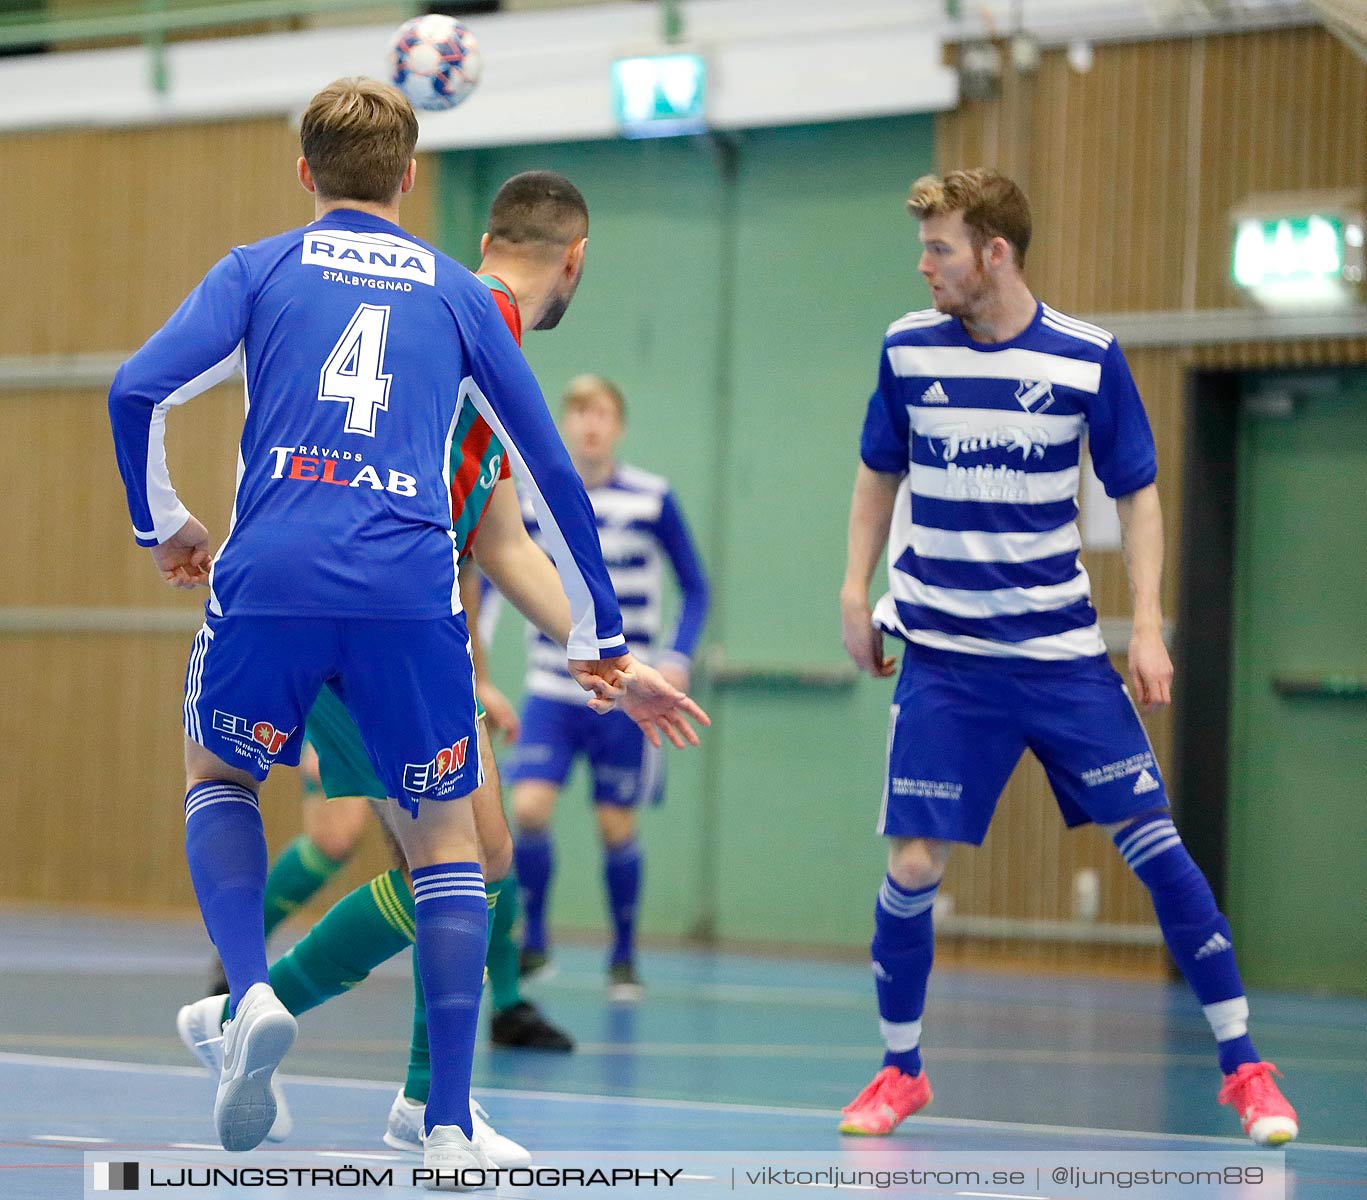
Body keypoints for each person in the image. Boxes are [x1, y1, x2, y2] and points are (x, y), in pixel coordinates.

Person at [108, 78, 704, 1184]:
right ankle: (443, 1121)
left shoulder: (259, 270)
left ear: (303, 174)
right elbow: (547, 478)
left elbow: (138, 388)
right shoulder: (459, 299)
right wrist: (599, 637)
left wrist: (166, 523)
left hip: (275, 572)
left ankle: (246, 996)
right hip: (406, 596)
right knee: (451, 853)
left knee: (220, 778)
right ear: (412, 179)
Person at [837, 168, 1297, 1146]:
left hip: (1056, 657)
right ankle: (897, 1070)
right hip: (944, 661)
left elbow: (1137, 491)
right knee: (911, 862)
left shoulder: (1087, 358)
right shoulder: (905, 346)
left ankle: (1244, 1067)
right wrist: (851, 587)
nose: (923, 267)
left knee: (1155, 846)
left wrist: (1146, 622)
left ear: (992, 253)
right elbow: (879, 468)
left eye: (939, 249)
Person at [507, 374, 710, 1000]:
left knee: (615, 825)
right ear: (567, 423)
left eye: (602, 414)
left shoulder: (653, 498)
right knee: (528, 809)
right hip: (551, 687)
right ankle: (535, 940)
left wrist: (676, 656)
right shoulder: (535, 497)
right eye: (579, 413)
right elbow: (495, 575)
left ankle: (623, 956)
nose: (590, 425)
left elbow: (696, 587)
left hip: (626, 691)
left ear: (617, 426)